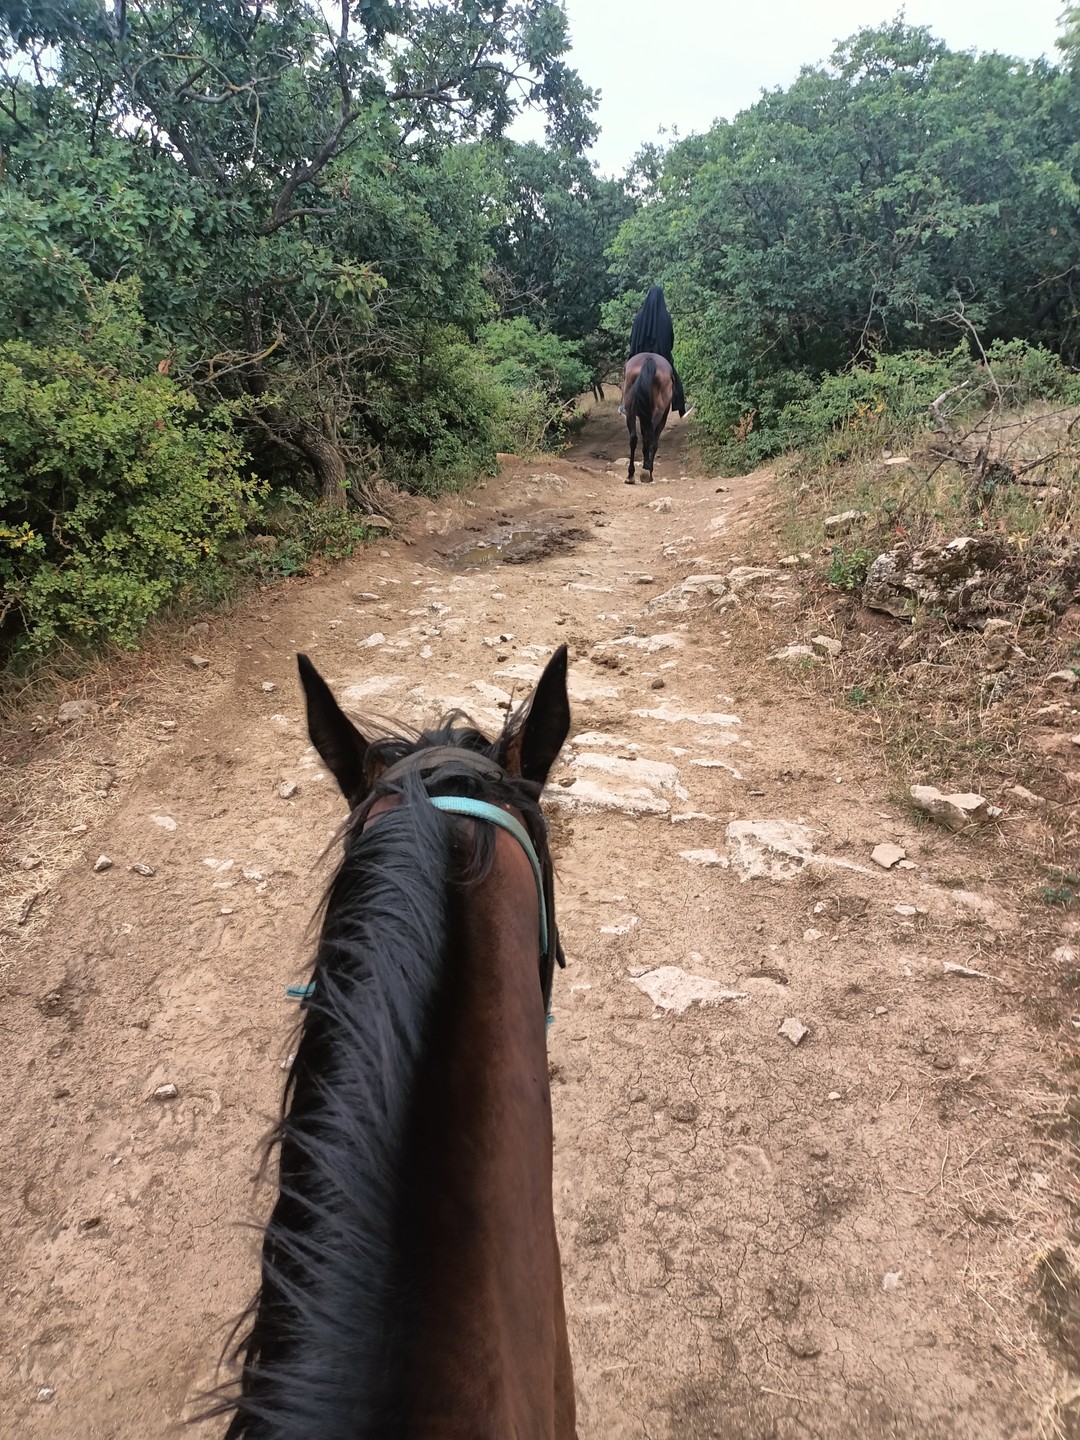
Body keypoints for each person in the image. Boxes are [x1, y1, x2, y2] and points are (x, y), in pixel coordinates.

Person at [623, 285, 688, 417]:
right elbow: (670, 340)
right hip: (661, 354)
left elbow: (632, 338)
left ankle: (625, 406)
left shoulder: (639, 316)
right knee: (674, 377)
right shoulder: (665, 317)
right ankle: (681, 406)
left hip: (639, 353)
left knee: (627, 376)